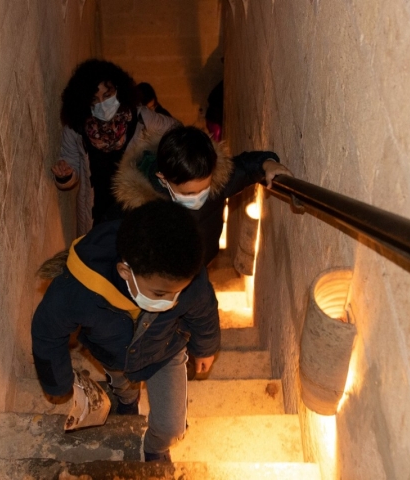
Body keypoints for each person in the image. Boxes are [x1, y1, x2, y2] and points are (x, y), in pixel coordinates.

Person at [31, 201, 220, 462]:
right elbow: (47, 331)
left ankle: (155, 447)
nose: (174, 300)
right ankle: (127, 402)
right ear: (125, 271)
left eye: (181, 291)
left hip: (165, 351)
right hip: (111, 353)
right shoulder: (75, 291)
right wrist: (57, 381)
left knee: (171, 426)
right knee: (123, 387)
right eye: (161, 294)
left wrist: (205, 347)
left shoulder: (184, 271)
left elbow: (204, 308)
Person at [112, 126, 292, 265]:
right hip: (163, 275)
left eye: (203, 188)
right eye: (188, 193)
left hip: (204, 262)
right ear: (163, 178)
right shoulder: (138, 207)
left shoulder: (217, 181)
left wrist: (267, 163)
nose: (199, 196)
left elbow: (245, 167)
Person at [52, 60, 179, 236]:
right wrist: (65, 175)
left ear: (118, 90)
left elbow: (177, 132)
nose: (102, 104)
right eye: (94, 99)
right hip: (95, 216)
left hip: (134, 213)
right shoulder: (76, 129)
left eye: (107, 95)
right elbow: (70, 162)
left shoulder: (141, 118)